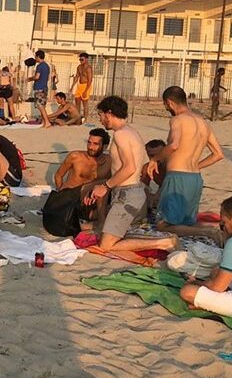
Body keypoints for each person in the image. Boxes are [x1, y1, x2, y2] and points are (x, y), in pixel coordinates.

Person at [85, 96, 177, 263]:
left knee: (105, 246)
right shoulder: (130, 131)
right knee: (113, 234)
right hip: (133, 191)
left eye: (100, 115)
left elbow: (129, 168)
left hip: (127, 194)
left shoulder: (121, 134)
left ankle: (163, 243)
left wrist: (105, 187)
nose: (100, 119)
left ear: (109, 113)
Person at [147, 86, 224, 231]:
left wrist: (155, 159)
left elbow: (174, 145)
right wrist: (196, 165)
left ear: (169, 102)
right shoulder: (202, 122)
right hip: (195, 177)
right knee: (187, 222)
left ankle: (210, 233)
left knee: (164, 225)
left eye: (165, 105)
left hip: (177, 177)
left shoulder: (178, 120)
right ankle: (217, 228)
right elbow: (218, 154)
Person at [180, 195, 232, 317]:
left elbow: (217, 287)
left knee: (188, 292)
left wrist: (197, 283)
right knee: (217, 271)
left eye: (223, 224)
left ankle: (208, 307)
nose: (223, 229)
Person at [142, 138, 167, 219]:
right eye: (152, 156)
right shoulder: (147, 167)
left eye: (159, 154)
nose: (156, 158)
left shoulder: (171, 166)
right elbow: (143, 186)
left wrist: (157, 195)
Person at [28, 50, 52, 127]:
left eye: (35, 56)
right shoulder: (47, 66)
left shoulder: (39, 66)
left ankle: (47, 122)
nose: (35, 58)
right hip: (44, 87)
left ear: (38, 56)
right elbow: (47, 78)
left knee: (40, 106)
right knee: (42, 106)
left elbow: (37, 77)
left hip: (39, 87)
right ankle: (44, 122)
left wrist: (30, 79)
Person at [71, 52, 94, 122]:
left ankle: (85, 119)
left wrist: (86, 91)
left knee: (85, 103)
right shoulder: (79, 67)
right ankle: (78, 117)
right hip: (79, 85)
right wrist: (72, 86)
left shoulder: (88, 68)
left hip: (86, 85)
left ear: (86, 59)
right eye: (80, 60)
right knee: (77, 101)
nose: (80, 61)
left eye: (82, 59)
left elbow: (90, 80)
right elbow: (77, 76)